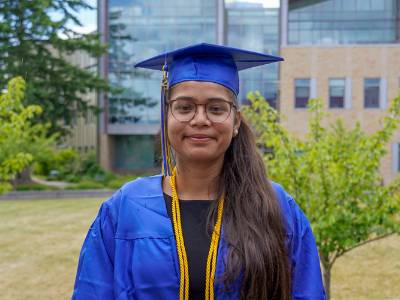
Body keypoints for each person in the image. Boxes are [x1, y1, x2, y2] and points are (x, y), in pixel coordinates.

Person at [72, 43, 326, 300]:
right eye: (184, 107)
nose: (200, 119)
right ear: (166, 116)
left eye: (216, 109)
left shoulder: (276, 205)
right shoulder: (125, 207)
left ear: (236, 121)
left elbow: (307, 292)